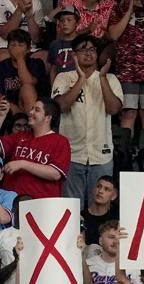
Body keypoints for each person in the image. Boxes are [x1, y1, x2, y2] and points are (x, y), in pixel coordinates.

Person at [51, 34, 123, 209]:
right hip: (71, 155)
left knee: (98, 208)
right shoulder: (63, 78)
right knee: (72, 210)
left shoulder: (110, 79)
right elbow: (62, 106)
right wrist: (81, 79)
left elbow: (114, 109)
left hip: (101, 155)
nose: (89, 54)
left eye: (92, 50)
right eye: (83, 50)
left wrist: (103, 78)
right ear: (74, 54)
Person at [0, 98, 70, 199]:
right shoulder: (20, 136)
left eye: (37, 110)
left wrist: (23, 164)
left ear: (48, 118)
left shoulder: (60, 141)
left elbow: (55, 174)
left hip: (41, 205)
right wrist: (1, 116)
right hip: (11, 202)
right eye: (32, 108)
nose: (31, 112)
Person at [106, 0, 144, 133]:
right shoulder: (118, 9)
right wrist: (129, 11)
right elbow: (113, 35)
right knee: (128, 113)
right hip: (127, 69)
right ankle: (125, 149)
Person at [0, 0, 45, 64]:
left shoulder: (35, 2)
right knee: (4, 58)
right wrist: (20, 10)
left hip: (30, 49)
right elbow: (6, 35)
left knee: (46, 58)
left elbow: (36, 39)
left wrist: (29, 17)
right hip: (4, 48)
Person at [81, 177, 119, 245]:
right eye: (98, 186)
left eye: (106, 189)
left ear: (114, 196)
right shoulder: (80, 217)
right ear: (93, 189)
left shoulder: (116, 219)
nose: (100, 191)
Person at [47, 7, 80, 82]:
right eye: (62, 20)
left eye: (69, 20)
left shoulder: (83, 43)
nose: (65, 23)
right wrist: (53, 88)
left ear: (77, 23)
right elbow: (53, 69)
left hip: (78, 81)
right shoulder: (54, 45)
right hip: (60, 83)